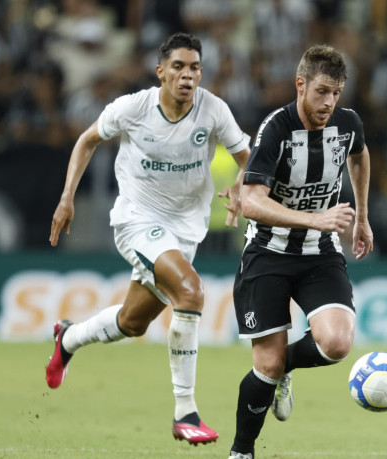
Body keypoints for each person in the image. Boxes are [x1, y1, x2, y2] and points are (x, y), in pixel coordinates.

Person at [46, 32, 251, 446]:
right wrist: (67, 198)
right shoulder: (133, 107)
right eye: (178, 66)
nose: (187, 75)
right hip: (137, 219)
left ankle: (67, 338)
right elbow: (87, 140)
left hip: (184, 229)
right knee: (190, 292)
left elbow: (248, 157)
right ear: (161, 72)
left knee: (132, 323)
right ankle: (185, 413)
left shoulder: (213, 110)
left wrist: (242, 189)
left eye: (194, 67)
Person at [228, 44, 374, 459]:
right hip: (268, 253)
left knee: (337, 344)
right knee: (266, 365)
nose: (329, 102)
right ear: (301, 84)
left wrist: (361, 216)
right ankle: (242, 452)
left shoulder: (347, 124)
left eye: (337, 93)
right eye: (322, 91)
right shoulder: (275, 129)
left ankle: (287, 368)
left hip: (319, 255)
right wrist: (314, 219)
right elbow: (250, 201)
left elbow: (360, 156)